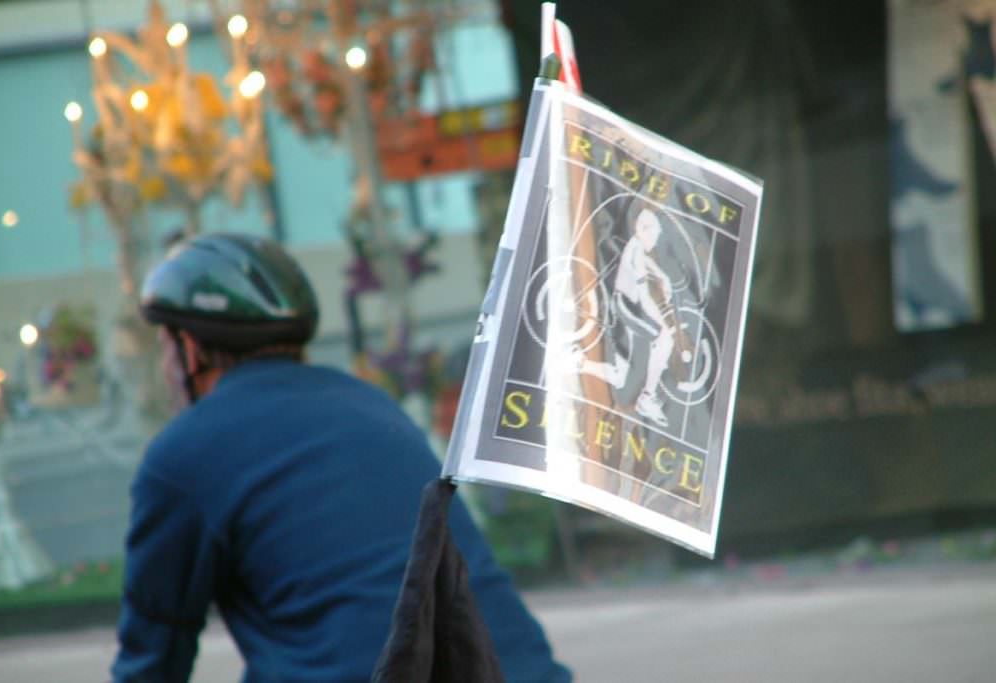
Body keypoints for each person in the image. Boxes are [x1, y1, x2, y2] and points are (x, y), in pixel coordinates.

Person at [111, 233, 570, 682]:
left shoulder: (183, 455)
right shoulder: (370, 406)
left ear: (188, 350)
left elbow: (153, 655)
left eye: (164, 349)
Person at [574, 208, 678, 427]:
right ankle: (647, 398)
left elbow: (644, 262)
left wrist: (661, 275)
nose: (656, 241)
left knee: (622, 375)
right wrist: (661, 321)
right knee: (665, 339)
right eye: (655, 235)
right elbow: (644, 298)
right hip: (627, 307)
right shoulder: (637, 251)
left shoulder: (636, 245)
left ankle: (578, 362)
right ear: (643, 230)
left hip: (626, 306)